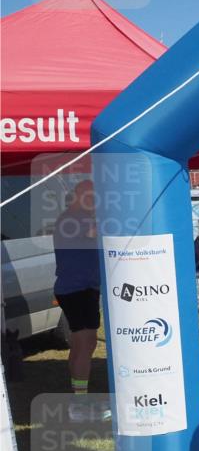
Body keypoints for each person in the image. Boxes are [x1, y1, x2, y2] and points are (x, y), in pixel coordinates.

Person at [53, 180, 107, 422]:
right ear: (77, 195)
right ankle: (79, 405)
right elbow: (96, 232)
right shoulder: (71, 219)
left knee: (81, 344)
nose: (94, 201)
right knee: (86, 344)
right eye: (89, 196)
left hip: (84, 288)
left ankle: (78, 399)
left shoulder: (79, 217)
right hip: (77, 289)